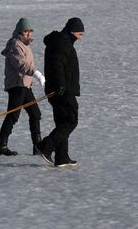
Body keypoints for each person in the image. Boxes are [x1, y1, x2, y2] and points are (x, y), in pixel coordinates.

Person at [37, 18, 84, 168]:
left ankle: (62, 157)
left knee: (62, 122)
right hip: (62, 90)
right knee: (71, 119)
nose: (80, 37)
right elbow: (57, 66)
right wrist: (61, 85)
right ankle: (46, 146)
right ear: (72, 31)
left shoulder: (59, 41)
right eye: (79, 34)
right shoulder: (62, 43)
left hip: (56, 88)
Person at [0, 17, 45, 156]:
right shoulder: (15, 45)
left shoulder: (25, 45)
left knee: (35, 114)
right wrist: (37, 74)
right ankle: (1, 146)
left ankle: (38, 146)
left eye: (30, 31)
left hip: (25, 85)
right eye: (25, 31)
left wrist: (35, 76)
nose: (28, 34)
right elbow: (22, 65)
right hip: (17, 85)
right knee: (13, 115)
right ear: (19, 32)